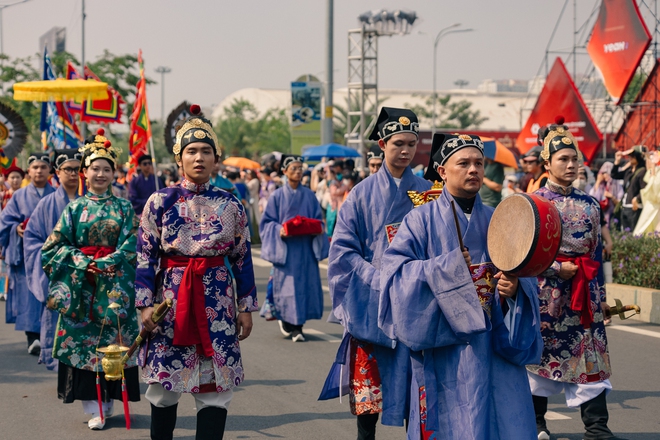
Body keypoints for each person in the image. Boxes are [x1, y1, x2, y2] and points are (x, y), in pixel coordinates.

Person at [379, 133, 543, 440]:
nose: (473, 170)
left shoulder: (501, 219)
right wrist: (448, 268)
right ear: (442, 171)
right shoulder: (419, 220)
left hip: (495, 345)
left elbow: (527, 276)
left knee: (504, 426)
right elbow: (395, 276)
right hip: (446, 347)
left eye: (478, 163)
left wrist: (515, 289)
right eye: (463, 163)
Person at [135, 105, 257, 440]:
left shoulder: (231, 205)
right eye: (191, 151)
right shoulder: (160, 201)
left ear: (217, 158)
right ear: (180, 158)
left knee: (214, 388)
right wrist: (144, 305)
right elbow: (145, 255)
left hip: (217, 302)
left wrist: (246, 307)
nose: (199, 158)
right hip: (170, 302)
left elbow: (242, 257)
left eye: (206, 151)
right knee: (163, 388)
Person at [324, 108, 431, 439]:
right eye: (398, 143)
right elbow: (343, 250)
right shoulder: (360, 193)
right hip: (371, 300)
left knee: (419, 392)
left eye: (411, 144)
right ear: (382, 144)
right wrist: (374, 276)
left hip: (415, 301)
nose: (405, 151)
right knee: (369, 395)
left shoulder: (429, 191)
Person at [41, 130, 141, 430]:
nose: (100, 173)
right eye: (95, 168)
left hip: (113, 285)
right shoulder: (74, 208)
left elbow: (133, 244)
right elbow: (53, 247)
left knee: (113, 345)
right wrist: (85, 263)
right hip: (81, 287)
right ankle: (95, 407)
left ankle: (111, 402)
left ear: (114, 173)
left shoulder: (124, 208)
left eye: (106, 169)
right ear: (84, 172)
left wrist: (109, 262)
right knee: (85, 348)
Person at [528, 124, 620, 440]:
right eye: (563, 159)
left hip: (585, 293)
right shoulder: (534, 203)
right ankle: (536, 424)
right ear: (547, 163)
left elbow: (596, 254)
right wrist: (555, 268)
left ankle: (597, 427)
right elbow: (523, 253)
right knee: (540, 357)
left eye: (574, 159)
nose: (570, 165)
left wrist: (602, 296)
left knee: (589, 354)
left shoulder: (591, 204)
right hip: (547, 295)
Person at [259, 154, 329, 342]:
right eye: (293, 168)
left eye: (300, 168)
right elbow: (267, 223)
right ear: (284, 171)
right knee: (288, 287)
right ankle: (289, 323)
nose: (298, 172)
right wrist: (279, 230)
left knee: (304, 286)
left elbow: (318, 219)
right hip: (287, 250)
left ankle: (298, 325)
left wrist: (318, 228)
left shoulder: (309, 195)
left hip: (305, 248)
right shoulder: (277, 196)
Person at [24, 149, 81, 371]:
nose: (73, 174)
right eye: (68, 169)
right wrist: (53, 256)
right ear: (57, 172)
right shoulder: (47, 204)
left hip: (87, 272)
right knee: (59, 320)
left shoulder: (90, 201)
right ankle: (60, 366)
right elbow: (32, 238)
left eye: (78, 169)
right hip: (58, 272)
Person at [0, 152, 55, 354]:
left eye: (43, 167)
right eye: (35, 167)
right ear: (28, 171)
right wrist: (16, 229)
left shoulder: (56, 194)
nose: (39, 170)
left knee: (49, 293)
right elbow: (5, 221)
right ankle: (32, 337)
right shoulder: (19, 196)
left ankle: (47, 336)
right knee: (28, 294)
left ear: (50, 171)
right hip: (25, 255)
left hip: (50, 254)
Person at [612, 145, 648, 232]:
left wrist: (637, 198)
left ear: (639, 156)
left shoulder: (642, 171)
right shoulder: (629, 171)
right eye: (629, 156)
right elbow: (614, 175)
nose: (630, 158)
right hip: (625, 206)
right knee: (625, 233)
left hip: (635, 208)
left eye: (633, 155)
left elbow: (645, 189)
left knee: (633, 233)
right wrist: (617, 161)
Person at [633, 150, 660, 235]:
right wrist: (652, 170)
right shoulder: (656, 169)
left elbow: (655, 190)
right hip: (651, 206)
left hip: (655, 207)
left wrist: (652, 171)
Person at [590, 162, 624, 227]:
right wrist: (598, 181)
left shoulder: (617, 185)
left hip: (613, 215)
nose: (605, 175)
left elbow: (620, 203)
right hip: (600, 215)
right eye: (603, 173)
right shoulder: (600, 185)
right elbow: (592, 198)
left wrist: (611, 197)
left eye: (606, 172)